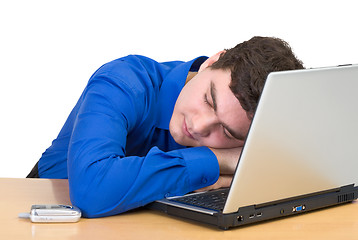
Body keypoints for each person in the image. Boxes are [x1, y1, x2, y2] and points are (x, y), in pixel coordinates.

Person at [27, 36, 304, 218]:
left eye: (228, 132)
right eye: (209, 99)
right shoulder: (124, 81)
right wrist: (215, 160)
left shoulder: (250, 132)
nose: (198, 126)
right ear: (212, 62)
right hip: (47, 213)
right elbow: (91, 191)